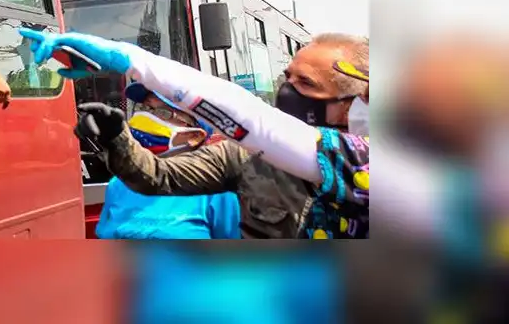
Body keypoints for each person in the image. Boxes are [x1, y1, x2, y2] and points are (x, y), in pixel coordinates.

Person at [20, 28, 370, 239]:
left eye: (305, 83)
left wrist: (131, 59)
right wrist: (116, 138)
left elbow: (256, 120)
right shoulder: (241, 155)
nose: (287, 90)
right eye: (287, 76)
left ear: (358, 100)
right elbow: (158, 177)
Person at [96, 82, 241, 240]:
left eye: (161, 113)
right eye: (144, 109)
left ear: (194, 136)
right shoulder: (118, 184)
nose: (144, 118)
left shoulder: (219, 192)